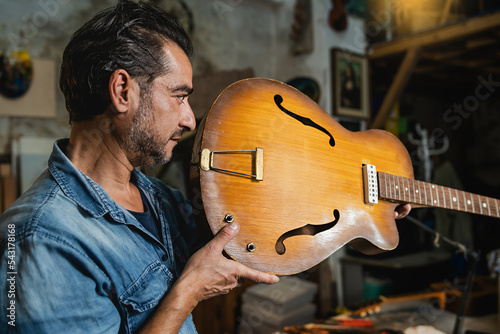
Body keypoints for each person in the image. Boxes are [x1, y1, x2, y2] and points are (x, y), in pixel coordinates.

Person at [0, 1, 410, 333]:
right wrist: (189, 291)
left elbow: (254, 235)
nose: (189, 120)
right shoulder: (41, 239)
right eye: (179, 96)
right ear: (122, 91)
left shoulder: (155, 198)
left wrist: (362, 215)